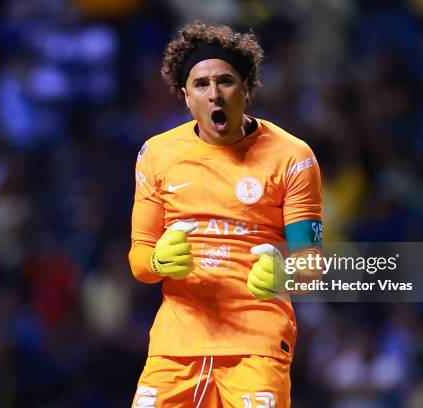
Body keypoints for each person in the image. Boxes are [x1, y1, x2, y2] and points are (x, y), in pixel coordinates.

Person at [129, 21, 322, 408]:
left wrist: (285, 275)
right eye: (201, 85)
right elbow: (139, 260)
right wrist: (157, 260)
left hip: (256, 344)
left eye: (225, 82)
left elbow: (311, 266)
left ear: (246, 89)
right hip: (176, 345)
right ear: (186, 97)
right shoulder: (157, 155)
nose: (214, 94)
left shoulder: (293, 157)